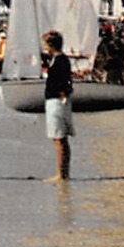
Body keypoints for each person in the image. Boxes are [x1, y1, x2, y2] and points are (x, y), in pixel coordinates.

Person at [42, 29, 73, 181]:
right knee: (61, 138)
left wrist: (62, 93)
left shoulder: (60, 60)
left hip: (56, 100)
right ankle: (64, 172)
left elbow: (64, 80)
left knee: (58, 137)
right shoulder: (58, 59)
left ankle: (61, 174)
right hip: (57, 100)